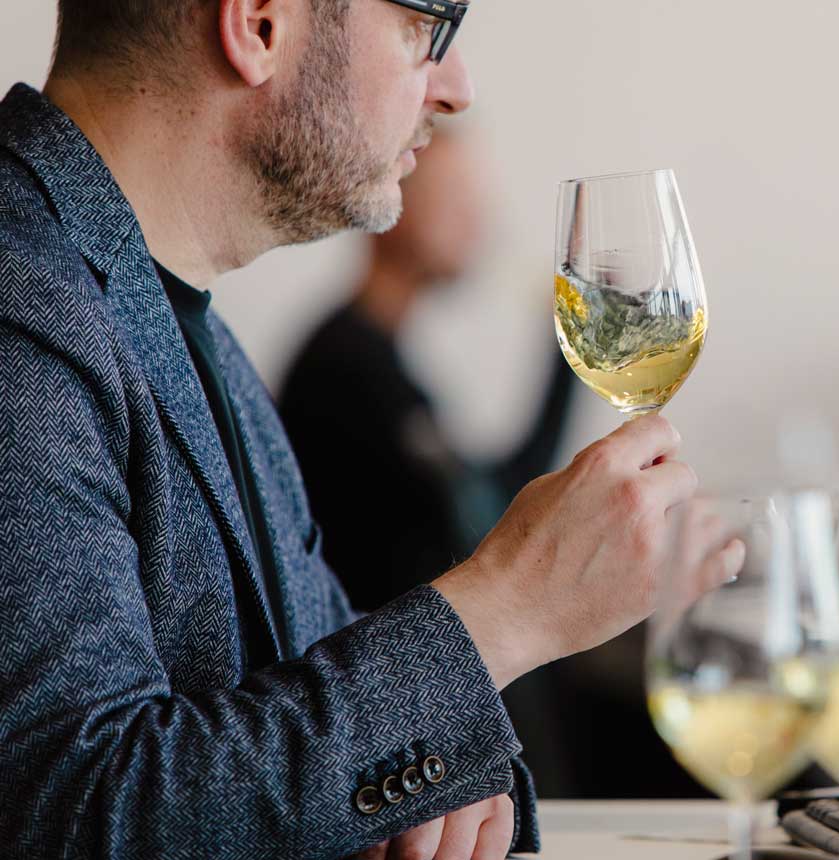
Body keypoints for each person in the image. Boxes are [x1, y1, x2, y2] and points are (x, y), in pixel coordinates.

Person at [0, 1, 742, 858]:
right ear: (261, 25)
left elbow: (320, 706)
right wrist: (504, 609)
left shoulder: (199, 344)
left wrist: (438, 786)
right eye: (429, 29)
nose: (456, 88)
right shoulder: (23, 302)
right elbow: (68, 815)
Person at [279, 133, 576, 611]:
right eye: (454, 198)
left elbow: (488, 496)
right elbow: (493, 518)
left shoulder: (376, 353)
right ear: (390, 196)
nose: (479, 223)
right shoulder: (347, 372)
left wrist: (567, 350)